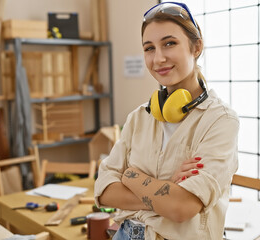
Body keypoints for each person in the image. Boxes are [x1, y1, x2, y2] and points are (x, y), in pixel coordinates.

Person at [94, 2, 239, 239]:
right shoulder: (139, 117)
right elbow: (104, 191)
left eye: (169, 43)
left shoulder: (221, 121)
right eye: (149, 48)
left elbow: (182, 208)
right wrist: (165, 188)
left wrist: (131, 175)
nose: (158, 58)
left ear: (196, 47)